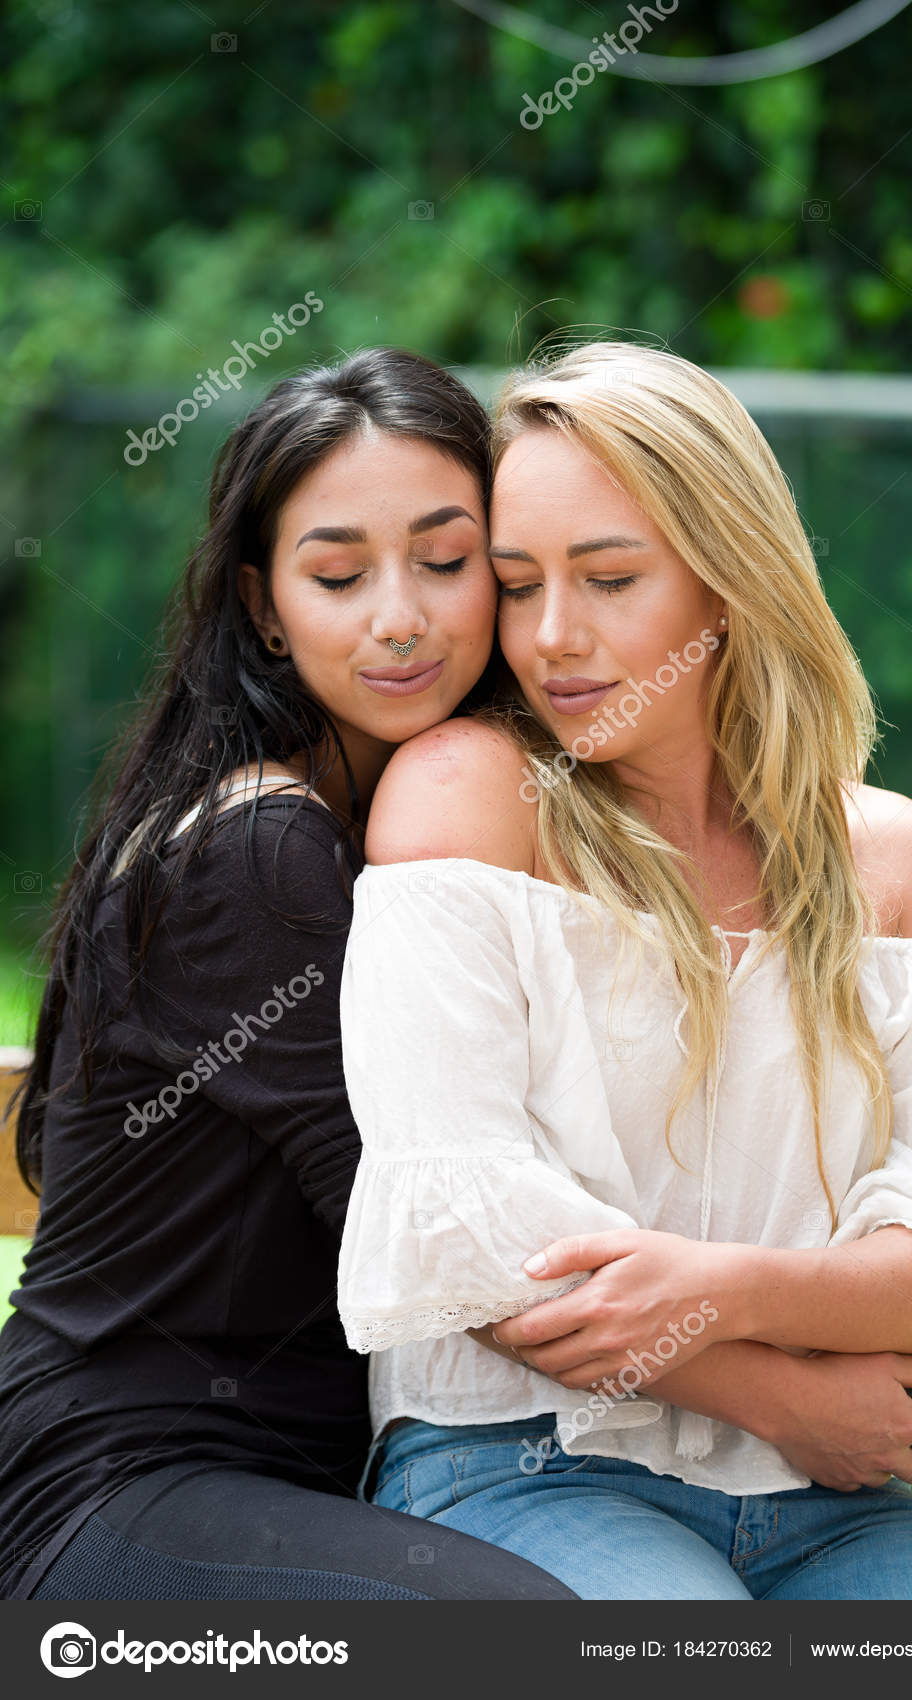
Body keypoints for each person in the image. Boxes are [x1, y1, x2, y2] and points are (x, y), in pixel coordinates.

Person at [335, 341, 912, 1601]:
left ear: (730, 583)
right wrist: (786, 1372)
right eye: (516, 585)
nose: (554, 637)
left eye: (612, 578)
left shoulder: (897, 863)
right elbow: (464, 1221)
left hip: (835, 1500)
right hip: (521, 1460)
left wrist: (726, 1286)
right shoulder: (470, 795)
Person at [0, 347, 578, 1601]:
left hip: (304, 1480)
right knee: (523, 1631)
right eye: (337, 573)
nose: (399, 616)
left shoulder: (423, 828)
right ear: (264, 606)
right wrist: (790, 1385)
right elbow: (448, 1244)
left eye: (445, 557)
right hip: (119, 1482)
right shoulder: (258, 847)